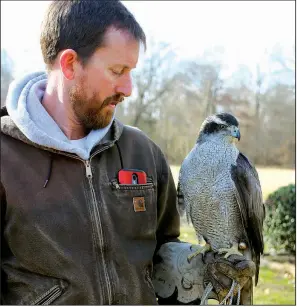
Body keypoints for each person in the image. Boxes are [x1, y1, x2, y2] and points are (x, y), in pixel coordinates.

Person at [1, 0, 255, 305]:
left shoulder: (143, 152)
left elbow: (160, 252)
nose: (128, 87)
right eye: (117, 70)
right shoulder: (6, 155)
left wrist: (202, 268)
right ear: (69, 64)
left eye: (131, 71)